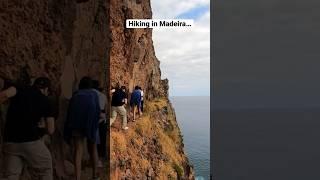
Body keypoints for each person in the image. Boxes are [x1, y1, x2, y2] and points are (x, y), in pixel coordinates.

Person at [1, 77, 55, 180]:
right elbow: (51, 130)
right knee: (46, 168)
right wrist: (42, 128)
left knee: (11, 175)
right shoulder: (46, 101)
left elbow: (5, 95)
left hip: (10, 141)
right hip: (30, 141)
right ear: (46, 89)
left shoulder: (20, 88)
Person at [64, 77, 100, 180]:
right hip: (91, 124)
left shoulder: (76, 95)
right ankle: (95, 175)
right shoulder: (94, 94)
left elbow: (70, 111)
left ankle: (77, 177)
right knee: (93, 148)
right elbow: (97, 110)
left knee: (78, 150)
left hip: (77, 125)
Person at [92, 80, 107, 167]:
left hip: (91, 120)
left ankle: (93, 159)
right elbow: (106, 109)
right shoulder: (103, 96)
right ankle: (99, 161)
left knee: (93, 142)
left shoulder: (89, 94)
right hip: (101, 120)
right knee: (101, 141)